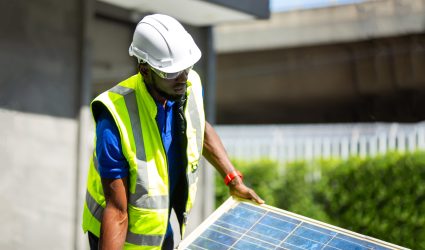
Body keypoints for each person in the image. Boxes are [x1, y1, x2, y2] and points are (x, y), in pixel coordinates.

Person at [82, 14, 264, 250]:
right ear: (144, 69)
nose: (182, 78)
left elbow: (200, 128)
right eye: (171, 73)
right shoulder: (115, 118)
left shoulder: (189, 85)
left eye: (186, 68)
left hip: (158, 230)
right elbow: (117, 212)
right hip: (117, 237)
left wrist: (233, 179)